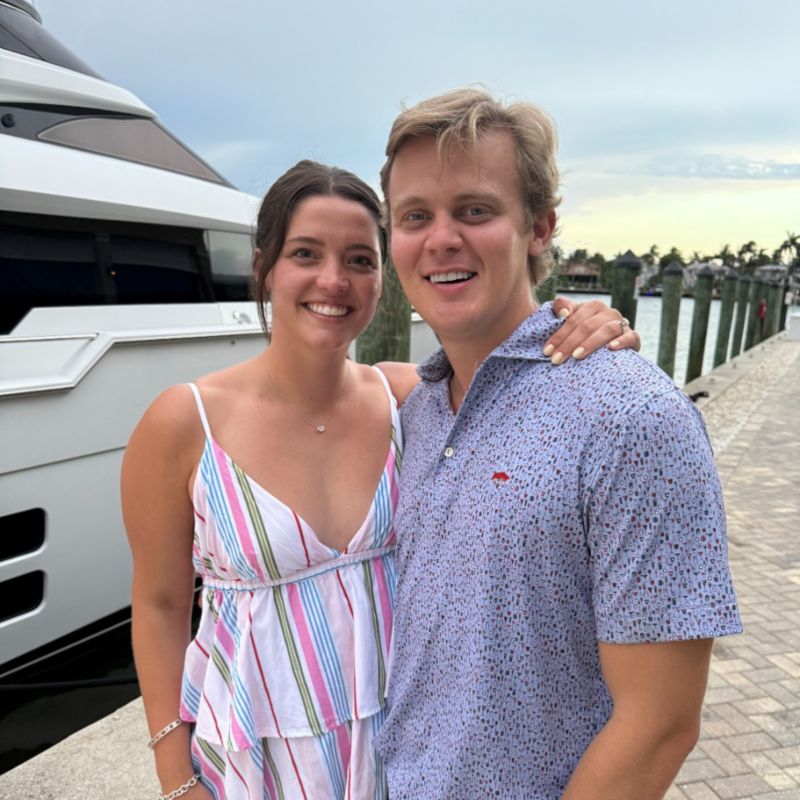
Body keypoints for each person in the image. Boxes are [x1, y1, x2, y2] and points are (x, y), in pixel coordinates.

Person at [122, 160, 638, 800]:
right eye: (305, 253)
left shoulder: (408, 399)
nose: (333, 280)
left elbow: (515, 379)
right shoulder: (184, 422)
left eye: (360, 260)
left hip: (408, 755)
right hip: (258, 760)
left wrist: (585, 325)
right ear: (265, 268)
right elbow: (160, 604)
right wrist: (175, 775)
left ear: (381, 279)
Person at [373, 88, 742, 800]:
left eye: (474, 211)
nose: (440, 238)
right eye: (415, 216)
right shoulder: (417, 411)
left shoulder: (632, 416)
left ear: (538, 228)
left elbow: (661, 723)